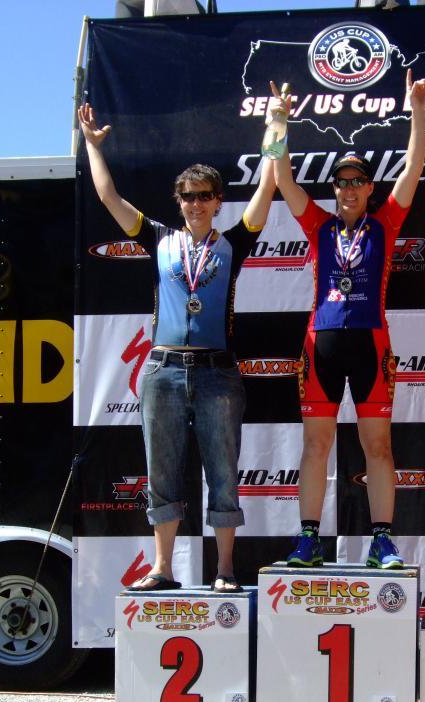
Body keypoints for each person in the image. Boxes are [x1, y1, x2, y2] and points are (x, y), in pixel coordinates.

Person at [78, 102, 276, 592]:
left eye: (205, 196)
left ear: (218, 201)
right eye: (188, 196)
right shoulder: (159, 239)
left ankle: (225, 570)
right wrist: (92, 146)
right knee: (161, 472)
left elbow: (267, 188)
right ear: (178, 200)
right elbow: (107, 196)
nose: (195, 204)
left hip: (217, 373)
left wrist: (276, 127)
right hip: (163, 370)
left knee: (222, 472)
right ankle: (163, 568)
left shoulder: (234, 243)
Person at [267, 72, 425, 569]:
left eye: (358, 180)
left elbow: (415, 168)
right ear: (335, 188)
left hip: (371, 345)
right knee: (316, 445)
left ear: (370, 187)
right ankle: (308, 540)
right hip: (321, 344)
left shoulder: (386, 223)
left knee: (378, 446)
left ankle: (382, 541)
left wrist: (417, 112)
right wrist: (279, 123)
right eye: (343, 181)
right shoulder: (318, 224)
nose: (350, 188)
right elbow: (282, 179)